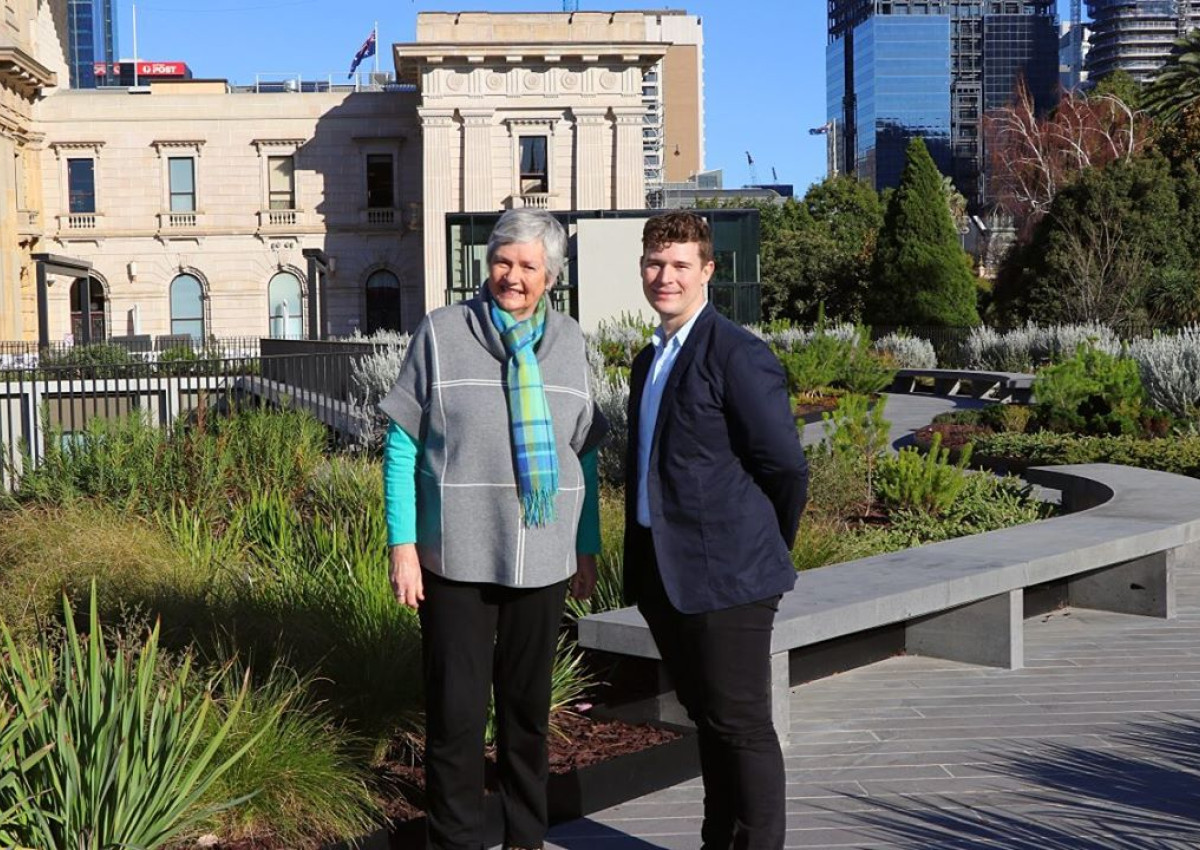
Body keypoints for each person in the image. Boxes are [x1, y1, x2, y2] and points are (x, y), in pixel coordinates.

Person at [380, 207, 606, 850]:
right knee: (455, 717)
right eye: (503, 260)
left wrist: (586, 546)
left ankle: (525, 839)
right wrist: (402, 545)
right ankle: (454, 841)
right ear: (487, 264)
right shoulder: (441, 332)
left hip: (545, 553)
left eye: (529, 265)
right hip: (455, 555)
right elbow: (401, 446)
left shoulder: (571, 341)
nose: (513, 275)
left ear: (550, 276)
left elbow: (584, 452)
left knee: (526, 715)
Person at [624, 211, 808, 850]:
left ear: (707, 270)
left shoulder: (736, 353)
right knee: (709, 720)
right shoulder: (648, 359)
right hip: (666, 573)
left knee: (742, 725)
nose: (665, 276)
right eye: (655, 263)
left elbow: (786, 466)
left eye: (680, 264)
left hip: (731, 575)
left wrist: (764, 544)